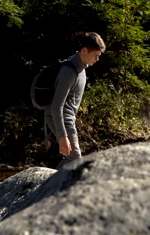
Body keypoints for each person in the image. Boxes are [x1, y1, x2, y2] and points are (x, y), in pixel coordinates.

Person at [45, 32, 106, 169]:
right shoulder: (68, 72)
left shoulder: (82, 68)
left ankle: (50, 184)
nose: (97, 59)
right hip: (61, 119)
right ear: (84, 51)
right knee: (75, 160)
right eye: (95, 55)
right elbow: (56, 106)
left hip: (68, 120)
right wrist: (62, 136)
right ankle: (50, 187)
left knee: (72, 159)